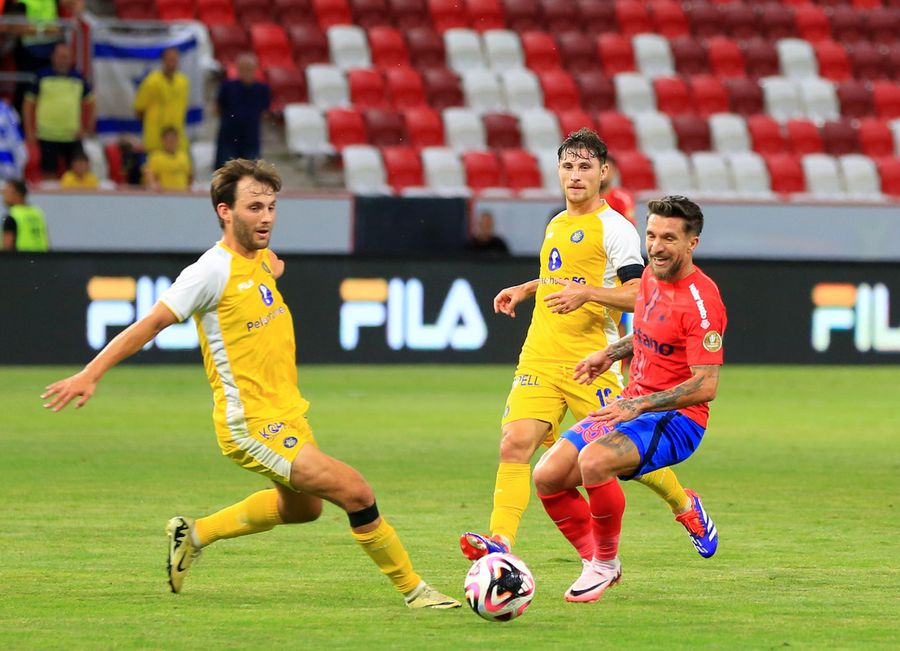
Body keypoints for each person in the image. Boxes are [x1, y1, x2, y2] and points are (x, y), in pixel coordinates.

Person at [41, 158, 459, 610]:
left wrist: (269, 271)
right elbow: (150, 324)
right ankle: (416, 592)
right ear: (225, 211)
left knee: (305, 509)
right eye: (254, 207)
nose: (266, 218)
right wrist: (91, 372)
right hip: (250, 422)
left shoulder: (259, 260)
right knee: (356, 492)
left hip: (286, 413)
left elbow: (264, 274)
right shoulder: (209, 272)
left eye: (272, 206)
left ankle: (194, 534)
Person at [459, 129, 708, 563]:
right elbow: (562, 279)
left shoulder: (618, 229)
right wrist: (527, 287)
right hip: (539, 354)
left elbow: (639, 293)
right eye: (568, 167)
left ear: (603, 173)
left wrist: (589, 294)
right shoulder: (557, 223)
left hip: (591, 361)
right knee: (513, 443)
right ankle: (501, 543)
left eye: (585, 167)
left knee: (620, 454)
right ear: (559, 172)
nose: (575, 176)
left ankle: (685, 506)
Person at [534, 195, 726, 603]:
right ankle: (598, 562)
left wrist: (637, 405)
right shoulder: (652, 279)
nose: (656, 246)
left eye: (669, 238)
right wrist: (609, 353)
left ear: (692, 243)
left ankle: (604, 564)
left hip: (678, 418)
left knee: (594, 461)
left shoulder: (703, 302)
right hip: (633, 401)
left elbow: (705, 385)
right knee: (547, 477)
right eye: (652, 235)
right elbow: (645, 334)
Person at [23, 41, 93, 179]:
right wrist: (29, 131)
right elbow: (28, 104)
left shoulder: (78, 79)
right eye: (60, 56)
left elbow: (91, 103)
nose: (63, 60)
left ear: (72, 58)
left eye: (66, 57)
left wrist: (87, 128)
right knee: (49, 173)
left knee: (78, 173)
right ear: (53, 57)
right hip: (47, 135)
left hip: (71, 135)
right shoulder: (42, 76)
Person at [215, 52, 270, 169]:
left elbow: (264, 113)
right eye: (243, 69)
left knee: (250, 178)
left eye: (249, 69)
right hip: (228, 139)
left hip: (250, 140)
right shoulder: (227, 87)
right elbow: (218, 108)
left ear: (255, 69)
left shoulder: (262, 89)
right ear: (238, 69)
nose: (246, 72)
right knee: (226, 177)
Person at [134, 46, 189, 153]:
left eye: (175, 59)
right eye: (170, 59)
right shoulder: (151, 81)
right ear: (163, 61)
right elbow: (139, 109)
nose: (173, 63)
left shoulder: (183, 82)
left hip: (177, 140)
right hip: (155, 140)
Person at [2, 178, 48, 252]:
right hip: (41, 259)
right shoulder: (37, 213)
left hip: (21, 260)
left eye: (7, 192)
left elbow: (7, 247)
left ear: (18, 194)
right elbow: (46, 240)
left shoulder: (12, 216)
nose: (4, 197)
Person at [143, 126, 191, 191]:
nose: (171, 143)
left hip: (182, 194)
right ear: (162, 140)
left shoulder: (184, 156)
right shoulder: (155, 157)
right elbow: (149, 176)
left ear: (178, 140)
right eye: (169, 140)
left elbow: (189, 176)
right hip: (164, 195)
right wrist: (154, 185)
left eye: (173, 140)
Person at [600, 155, 637, 227]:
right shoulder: (585, 197)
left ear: (614, 172)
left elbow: (629, 226)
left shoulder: (623, 198)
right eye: (601, 170)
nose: (603, 174)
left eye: (607, 170)